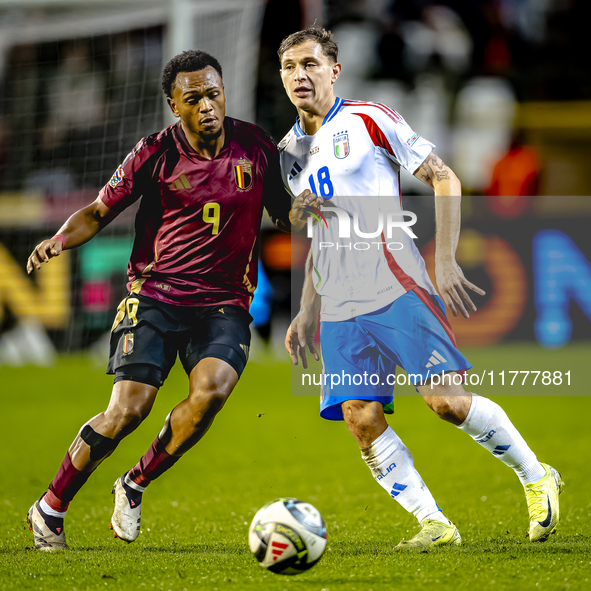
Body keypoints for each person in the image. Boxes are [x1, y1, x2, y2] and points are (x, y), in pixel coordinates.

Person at [278, 26, 563, 549]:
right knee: (360, 417)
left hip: (394, 282)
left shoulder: (369, 119)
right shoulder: (290, 153)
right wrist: (305, 309)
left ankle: (536, 476)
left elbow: (444, 177)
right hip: (339, 303)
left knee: (446, 402)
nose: (300, 74)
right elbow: (322, 229)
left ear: (334, 70)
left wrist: (447, 257)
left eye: (310, 64)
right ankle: (434, 523)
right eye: (290, 66)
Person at [26, 49, 317, 552]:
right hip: (157, 295)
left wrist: (302, 213)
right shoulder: (154, 153)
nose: (207, 105)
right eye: (194, 98)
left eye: (214, 92)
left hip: (225, 301)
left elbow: (279, 211)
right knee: (128, 411)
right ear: (173, 105)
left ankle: (134, 483)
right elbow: (98, 210)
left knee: (212, 393)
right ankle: (51, 507)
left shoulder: (256, 145)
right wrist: (58, 239)